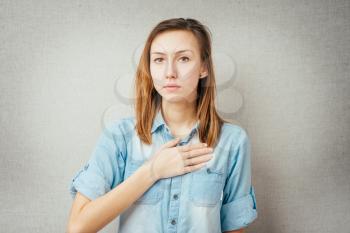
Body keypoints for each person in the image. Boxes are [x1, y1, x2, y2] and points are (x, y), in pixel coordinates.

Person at [67, 18, 257, 233]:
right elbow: (78, 227)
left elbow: (235, 229)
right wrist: (152, 171)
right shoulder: (119, 136)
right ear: (149, 67)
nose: (170, 72)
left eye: (184, 58)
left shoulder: (233, 141)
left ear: (203, 67)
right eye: (158, 60)